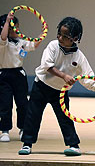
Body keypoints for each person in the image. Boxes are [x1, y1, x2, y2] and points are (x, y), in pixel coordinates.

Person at [18, 17, 95, 156]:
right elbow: (46, 66)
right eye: (59, 34)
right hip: (41, 86)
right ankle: (27, 144)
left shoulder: (79, 57)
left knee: (65, 118)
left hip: (60, 92)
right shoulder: (53, 46)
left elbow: (87, 76)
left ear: (75, 38)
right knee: (32, 116)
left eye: (65, 36)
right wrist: (64, 76)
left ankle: (74, 145)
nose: (60, 37)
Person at [0, 12, 42, 142]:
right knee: (5, 104)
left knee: (23, 103)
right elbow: (3, 37)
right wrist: (7, 22)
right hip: (4, 75)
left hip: (19, 75)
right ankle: (5, 130)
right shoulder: (3, 42)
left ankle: (23, 128)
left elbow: (33, 45)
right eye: (13, 28)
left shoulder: (21, 42)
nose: (16, 30)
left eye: (17, 27)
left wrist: (42, 34)